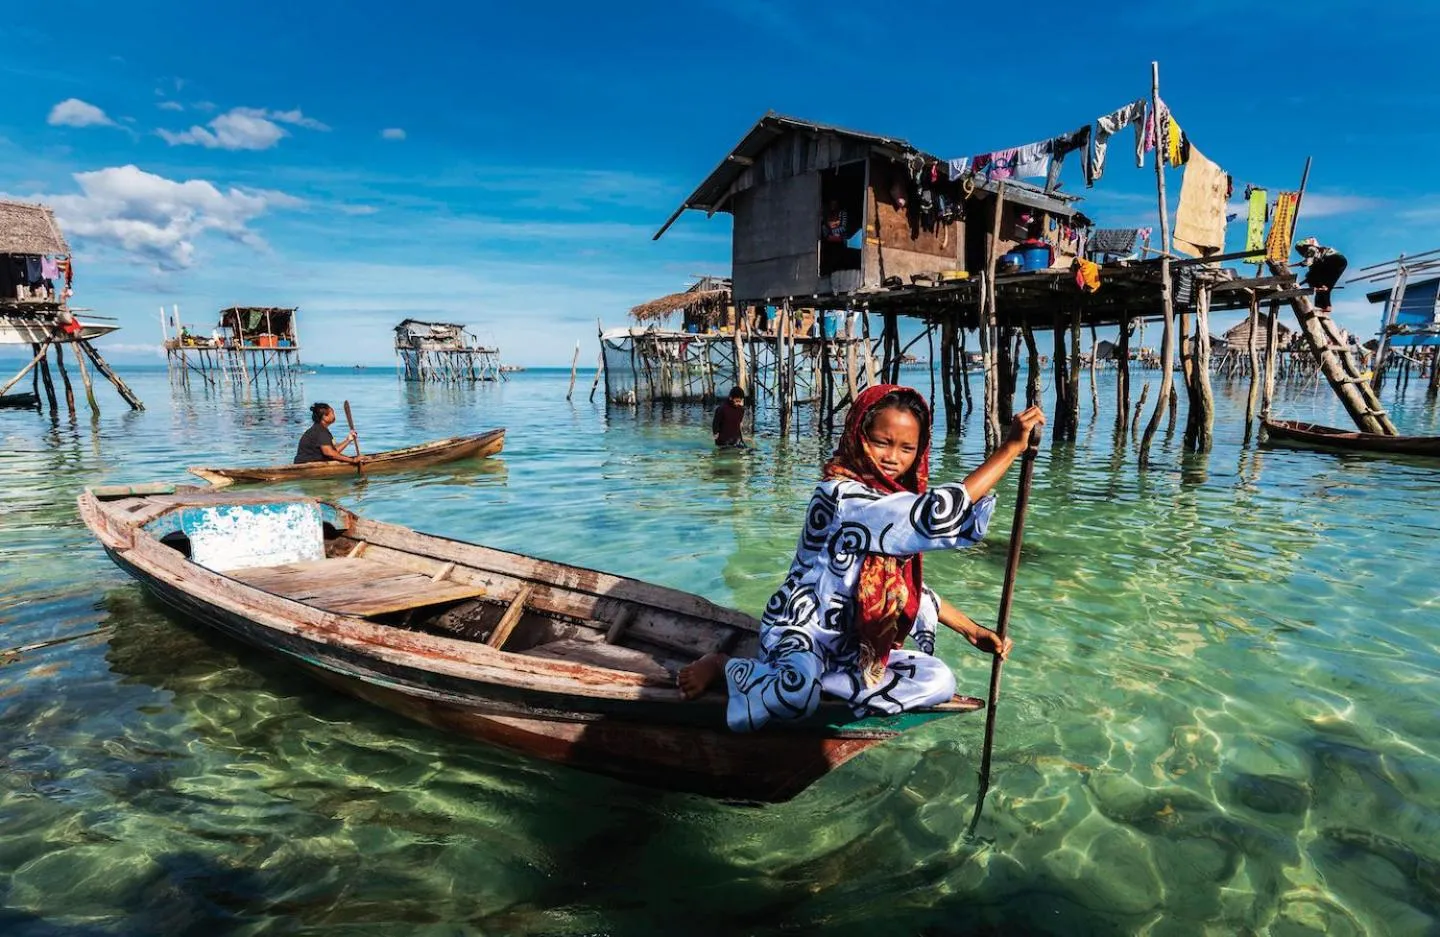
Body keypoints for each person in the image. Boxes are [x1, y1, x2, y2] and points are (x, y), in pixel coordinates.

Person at [678, 384, 1045, 731]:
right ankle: (727, 667)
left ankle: (827, 686)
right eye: (882, 442)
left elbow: (907, 589)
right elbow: (934, 516)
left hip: (849, 644)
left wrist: (971, 629)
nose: (893, 458)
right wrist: (1009, 449)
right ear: (858, 435)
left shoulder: (890, 502)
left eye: (907, 449)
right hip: (801, 631)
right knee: (794, 692)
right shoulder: (841, 495)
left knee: (940, 680)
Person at [295, 402, 360, 464]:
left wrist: (348, 440)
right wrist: (352, 460)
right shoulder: (320, 431)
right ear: (324, 417)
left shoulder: (319, 429)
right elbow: (330, 453)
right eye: (332, 413)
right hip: (306, 465)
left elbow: (334, 451)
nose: (334, 415)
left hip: (309, 463)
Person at [1295, 237, 1347, 313]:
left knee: (1315, 276)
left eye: (1301, 250)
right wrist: (1300, 283)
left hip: (1334, 260)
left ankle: (1322, 302)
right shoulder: (1315, 253)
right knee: (1323, 288)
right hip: (1339, 262)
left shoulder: (1312, 249)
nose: (1301, 253)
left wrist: (1303, 264)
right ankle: (1325, 306)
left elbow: (1309, 261)